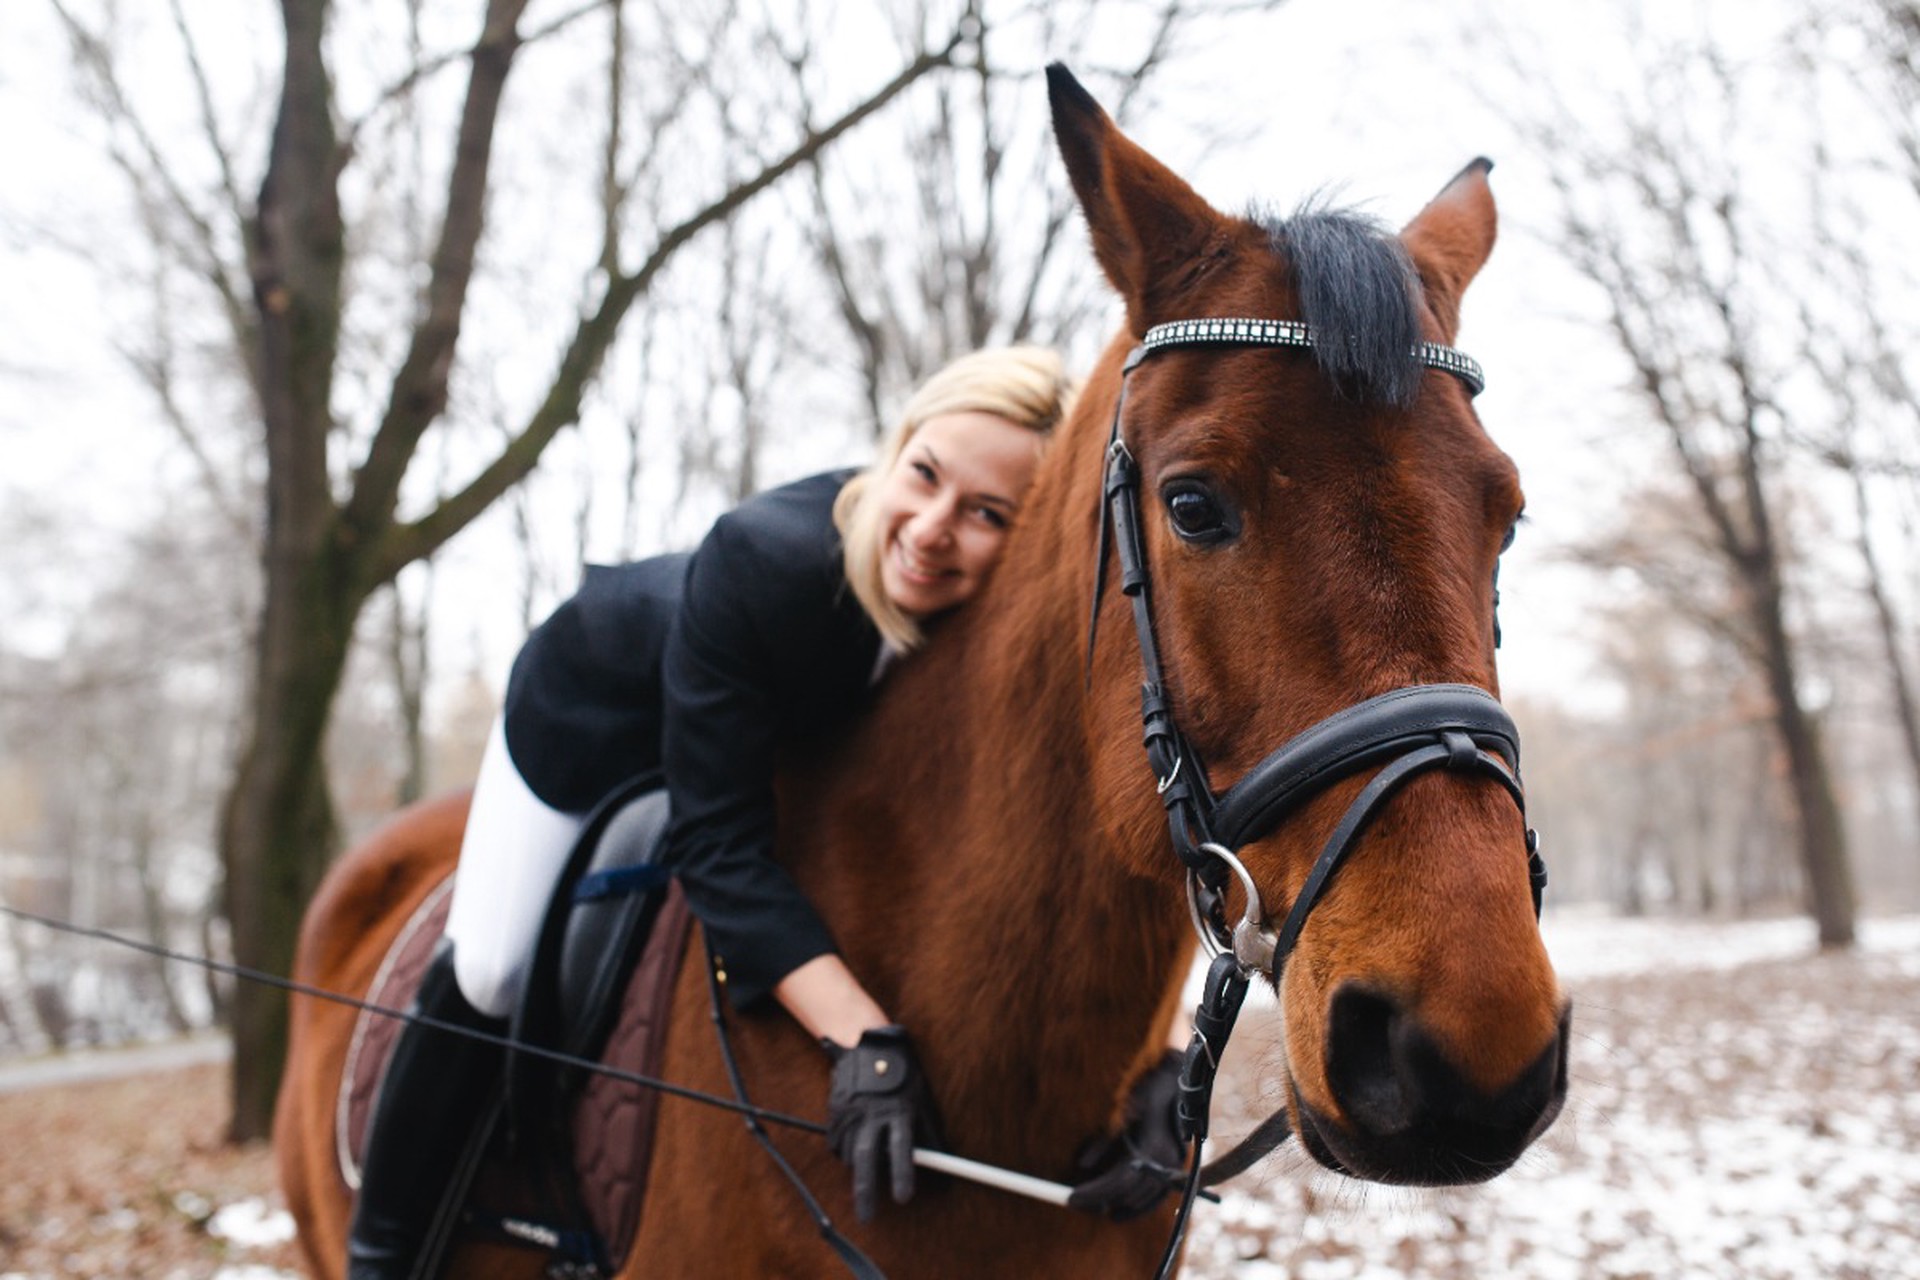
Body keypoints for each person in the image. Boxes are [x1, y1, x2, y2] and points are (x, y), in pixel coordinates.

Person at [346, 347, 1183, 1279]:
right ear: (895, 450)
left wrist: (1165, 1053)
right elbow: (716, 847)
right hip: (592, 716)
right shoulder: (763, 558)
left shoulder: (996, 617)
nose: (933, 529)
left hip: (791, 728)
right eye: (925, 475)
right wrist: (863, 1041)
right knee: (494, 970)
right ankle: (385, 1245)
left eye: (988, 514)